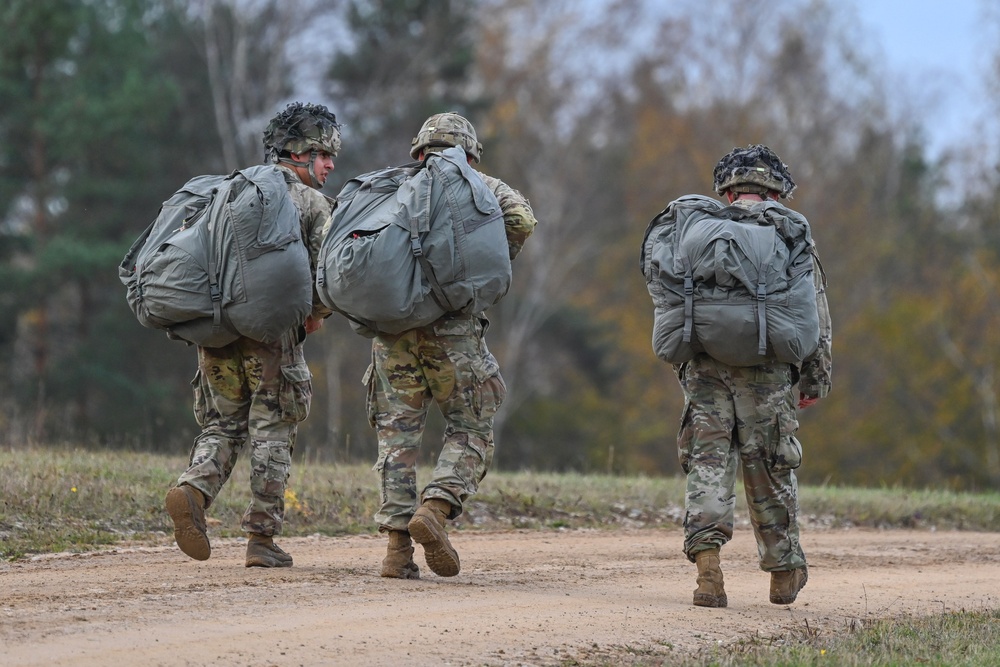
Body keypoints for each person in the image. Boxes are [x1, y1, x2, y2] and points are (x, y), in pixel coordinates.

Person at [164, 102, 341, 568]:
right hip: (273, 337)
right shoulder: (311, 203)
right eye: (324, 155)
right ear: (300, 154)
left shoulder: (229, 191)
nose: (329, 165)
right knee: (274, 428)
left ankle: (193, 491)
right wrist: (317, 314)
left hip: (216, 330)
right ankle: (261, 538)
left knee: (223, 424)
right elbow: (330, 271)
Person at [371, 112, 537, 579]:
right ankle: (438, 505)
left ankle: (396, 553)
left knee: (397, 437)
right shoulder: (481, 184)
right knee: (472, 426)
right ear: (468, 153)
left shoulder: (390, 185)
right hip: (453, 330)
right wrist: (481, 263)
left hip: (393, 331)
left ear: (419, 151)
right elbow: (522, 219)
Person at [675, 145, 832, 606]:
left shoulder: (699, 229)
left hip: (705, 367)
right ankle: (783, 570)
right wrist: (814, 379)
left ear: (726, 189)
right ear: (777, 190)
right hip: (767, 369)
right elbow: (815, 311)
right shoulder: (789, 231)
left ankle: (708, 572)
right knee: (769, 464)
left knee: (708, 464)